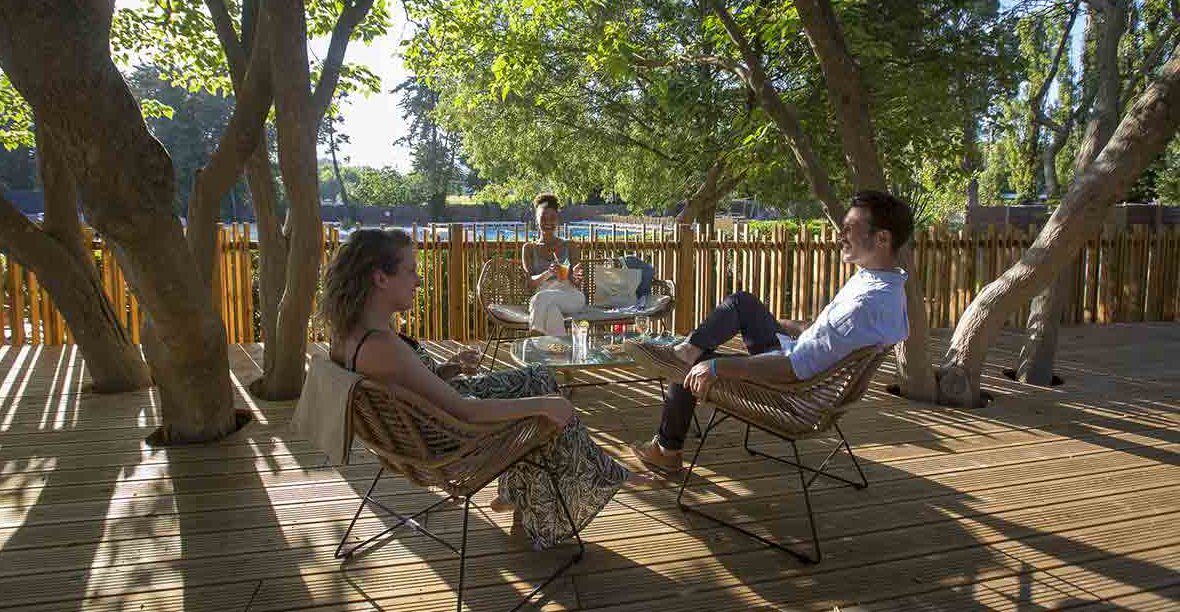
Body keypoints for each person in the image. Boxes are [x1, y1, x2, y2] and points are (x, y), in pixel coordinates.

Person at [321, 228, 650, 549]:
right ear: (381, 278)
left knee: (537, 376)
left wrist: (448, 368)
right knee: (547, 402)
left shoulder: (349, 333)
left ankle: (521, 492)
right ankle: (590, 480)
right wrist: (543, 406)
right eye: (411, 271)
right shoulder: (382, 347)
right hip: (454, 439)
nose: (419, 281)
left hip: (424, 427)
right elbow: (465, 410)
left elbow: (411, 387)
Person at [625, 190, 914, 473]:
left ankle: (666, 448)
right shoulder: (884, 287)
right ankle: (685, 352)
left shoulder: (864, 304)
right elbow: (832, 338)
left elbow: (793, 370)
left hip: (792, 392)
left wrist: (716, 367)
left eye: (850, 228)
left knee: (689, 367)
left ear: (882, 238)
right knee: (743, 303)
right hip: (802, 366)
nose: (841, 235)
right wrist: (798, 326)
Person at [522, 193, 586, 336]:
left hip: (571, 296)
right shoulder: (529, 248)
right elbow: (531, 283)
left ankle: (535, 335)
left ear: (558, 220)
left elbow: (576, 282)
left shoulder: (570, 245)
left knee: (539, 299)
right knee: (551, 313)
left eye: (552, 218)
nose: (548, 222)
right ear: (536, 220)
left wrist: (576, 275)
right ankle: (561, 354)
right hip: (544, 300)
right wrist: (548, 273)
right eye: (543, 218)